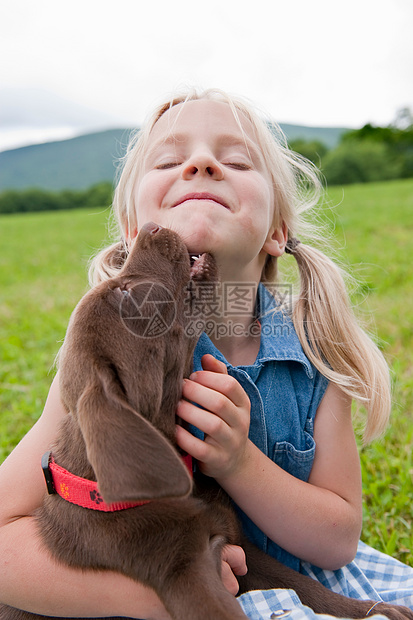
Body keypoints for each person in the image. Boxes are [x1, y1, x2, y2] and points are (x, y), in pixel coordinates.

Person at [0, 88, 411, 619]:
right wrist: (159, 594)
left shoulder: (315, 355)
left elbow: (337, 542)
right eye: (170, 161)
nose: (201, 164)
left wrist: (240, 462)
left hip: (292, 590)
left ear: (277, 232)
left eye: (236, 161)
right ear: (133, 232)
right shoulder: (113, 358)